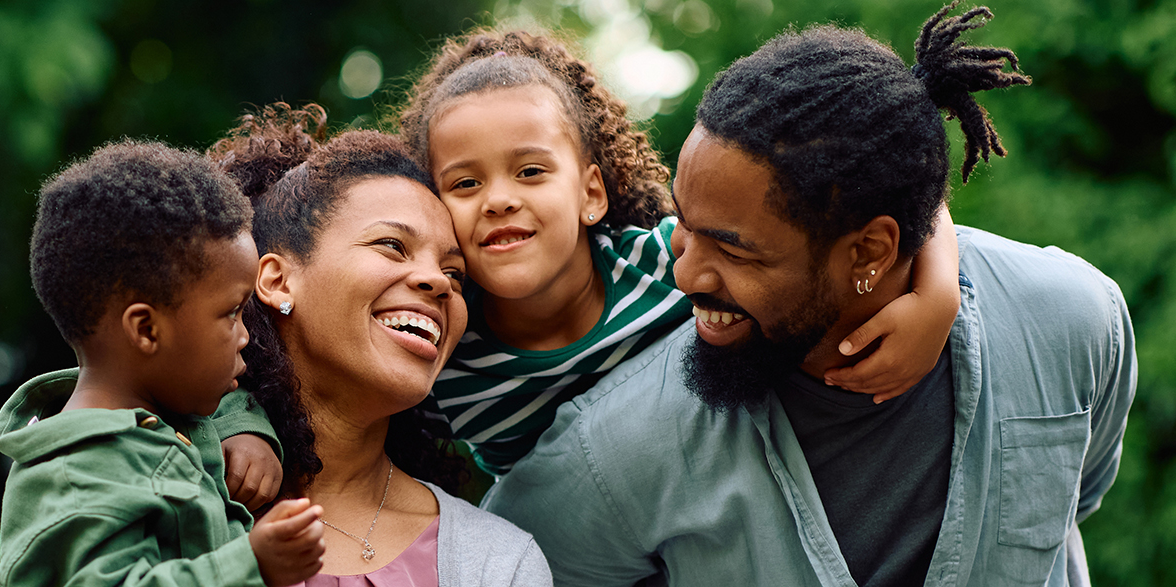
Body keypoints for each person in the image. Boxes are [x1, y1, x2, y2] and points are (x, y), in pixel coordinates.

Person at [484, 4, 1135, 586]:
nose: (685, 276)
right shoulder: (624, 446)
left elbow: (1079, 488)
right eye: (684, 224)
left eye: (735, 250)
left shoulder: (1074, 316)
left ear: (869, 252)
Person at [392, 27, 964, 476]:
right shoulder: (443, 352)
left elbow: (888, 187)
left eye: (531, 171)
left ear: (592, 193)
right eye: (465, 184)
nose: (498, 200)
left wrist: (938, 296)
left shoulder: (665, 263)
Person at [210, 104, 550, 587]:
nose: (438, 282)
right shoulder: (162, 489)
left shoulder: (498, 562)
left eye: (455, 273)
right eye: (392, 245)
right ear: (278, 280)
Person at [0, 140, 326, 587]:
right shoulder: (74, 476)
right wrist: (250, 565)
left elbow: (217, 400)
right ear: (147, 330)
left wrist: (245, 430)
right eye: (231, 313)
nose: (246, 335)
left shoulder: (164, 410)